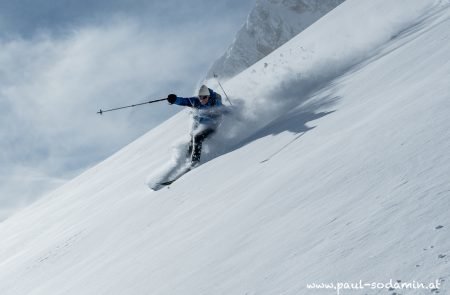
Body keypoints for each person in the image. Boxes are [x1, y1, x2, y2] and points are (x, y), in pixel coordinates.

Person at [167, 85, 224, 166]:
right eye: (200, 97)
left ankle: (194, 162)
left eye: (204, 97)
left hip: (212, 126)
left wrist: (235, 113)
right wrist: (174, 99)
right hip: (201, 126)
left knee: (197, 138)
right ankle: (187, 162)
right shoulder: (196, 101)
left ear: (208, 96)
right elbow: (184, 101)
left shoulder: (215, 102)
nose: (201, 99)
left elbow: (224, 110)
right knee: (191, 143)